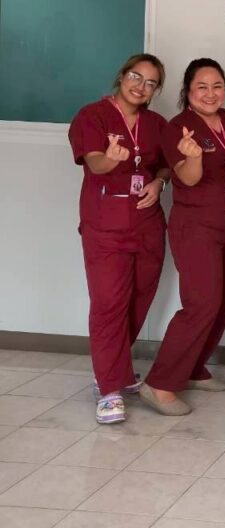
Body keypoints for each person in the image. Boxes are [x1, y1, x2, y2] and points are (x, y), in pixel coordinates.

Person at [141, 59, 225, 416]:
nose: (210, 93)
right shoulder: (178, 128)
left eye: (217, 85)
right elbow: (187, 179)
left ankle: (193, 368)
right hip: (196, 228)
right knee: (202, 304)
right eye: (201, 87)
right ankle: (159, 384)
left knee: (224, 300)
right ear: (187, 91)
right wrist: (194, 157)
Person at [69, 53, 171, 424]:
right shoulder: (92, 116)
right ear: (122, 76)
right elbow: (95, 162)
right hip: (106, 224)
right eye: (135, 77)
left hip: (146, 223)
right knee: (109, 302)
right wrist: (111, 159)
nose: (141, 86)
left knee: (140, 297)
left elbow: (166, 163)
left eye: (150, 83)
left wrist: (159, 183)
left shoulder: (156, 124)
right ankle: (109, 388)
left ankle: (114, 368)